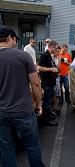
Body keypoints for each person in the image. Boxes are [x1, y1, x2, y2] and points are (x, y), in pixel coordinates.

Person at [0, 26, 45, 166]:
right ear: (9, 38)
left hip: (1, 113)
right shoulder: (23, 56)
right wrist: (39, 105)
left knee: (6, 149)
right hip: (24, 111)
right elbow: (36, 84)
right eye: (15, 39)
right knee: (32, 145)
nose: (15, 43)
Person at [37, 40, 60, 126]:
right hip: (46, 83)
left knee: (49, 102)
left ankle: (48, 116)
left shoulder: (49, 55)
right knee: (46, 103)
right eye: (56, 48)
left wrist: (55, 69)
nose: (57, 50)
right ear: (52, 47)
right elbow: (39, 67)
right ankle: (45, 121)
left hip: (51, 82)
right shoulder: (44, 55)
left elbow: (49, 66)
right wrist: (51, 69)